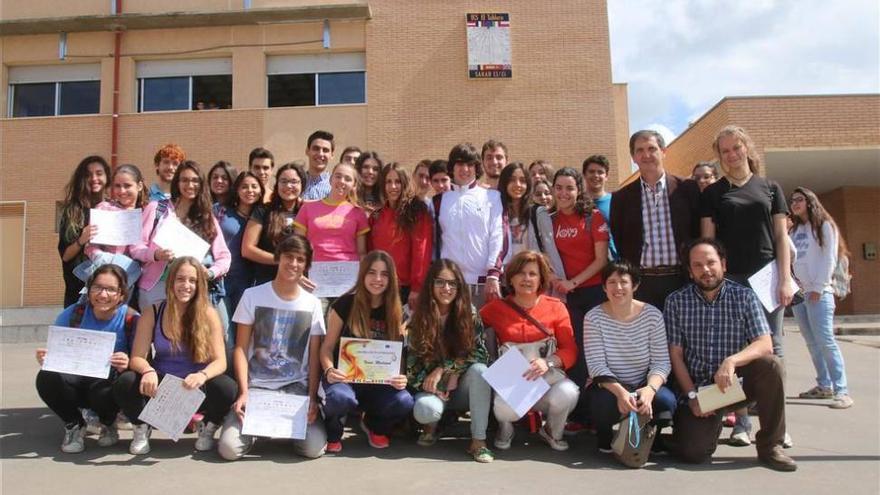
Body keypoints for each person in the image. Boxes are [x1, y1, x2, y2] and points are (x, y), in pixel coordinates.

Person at [665, 238, 796, 472]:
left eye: (711, 262)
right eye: (697, 265)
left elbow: (765, 343)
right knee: (693, 453)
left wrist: (732, 361)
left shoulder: (744, 296)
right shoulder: (676, 301)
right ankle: (695, 432)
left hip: (734, 384)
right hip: (701, 389)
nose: (705, 270)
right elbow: (675, 355)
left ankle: (770, 446)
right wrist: (693, 396)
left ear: (723, 264)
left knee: (771, 365)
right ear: (690, 271)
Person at [701, 125, 793, 447]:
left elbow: (781, 237)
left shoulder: (770, 188)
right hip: (731, 280)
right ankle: (741, 423)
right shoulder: (713, 193)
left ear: (746, 148)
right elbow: (708, 242)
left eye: (735, 148)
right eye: (724, 151)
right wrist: (713, 281)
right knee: (735, 350)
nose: (731, 155)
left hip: (767, 278)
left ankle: (777, 426)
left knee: (774, 349)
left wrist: (785, 278)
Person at [218, 235, 328, 460]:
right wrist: (244, 392)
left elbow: (315, 355)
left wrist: (312, 398)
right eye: (289, 257)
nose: (294, 264)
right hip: (257, 388)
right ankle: (260, 429)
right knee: (229, 449)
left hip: (295, 389)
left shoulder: (313, 304)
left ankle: (284, 430)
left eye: (300, 259)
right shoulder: (252, 295)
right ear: (279, 258)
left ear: (307, 265)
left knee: (313, 448)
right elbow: (240, 348)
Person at [114, 257, 236, 455]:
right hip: (162, 384)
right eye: (180, 279)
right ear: (171, 282)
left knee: (227, 388)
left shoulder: (209, 313)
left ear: (199, 284)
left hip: (194, 385)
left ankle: (208, 427)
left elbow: (220, 361)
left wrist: (202, 375)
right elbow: (137, 357)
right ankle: (142, 428)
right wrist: (148, 370)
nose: (186, 285)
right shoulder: (152, 311)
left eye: (192, 280)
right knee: (125, 382)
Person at [527, 167, 609, 430]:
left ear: (578, 190)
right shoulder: (548, 220)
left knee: (593, 353)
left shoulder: (593, 217)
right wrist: (552, 278)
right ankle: (575, 414)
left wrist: (573, 282)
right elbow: (542, 254)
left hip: (592, 292)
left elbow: (601, 259)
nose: (563, 193)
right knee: (571, 353)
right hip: (563, 297)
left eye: (569, 188)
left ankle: (594, 413)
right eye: (559, 188)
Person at [480, 251, 580, 452]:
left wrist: (549, 361)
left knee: (568, 393)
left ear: (541, 278)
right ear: (511, 278)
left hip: (547, 379)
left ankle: (551, 431)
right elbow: (470, 329)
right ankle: (505, 428)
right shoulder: (494, 309)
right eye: (521, 273)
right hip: (513, 383)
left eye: (533, 274)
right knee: (503, 408)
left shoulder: (556, 307)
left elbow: (570, 350)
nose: (526, 279)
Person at [36, 265, 138, 453]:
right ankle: (74, 424)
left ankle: (108, 423)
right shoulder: (75, 313)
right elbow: (57, 348)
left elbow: (141, 358)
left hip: (106, 388)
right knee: (46, 376)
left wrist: (128, 362)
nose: (103, 294)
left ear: (122, 294)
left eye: (111, 289)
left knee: (121, 382)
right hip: (76, 381)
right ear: (89, 290)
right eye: (97, 287)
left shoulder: (131, 319)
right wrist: (47, 358)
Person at [320, 251, 413, 452]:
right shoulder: (344, 304)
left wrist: (401, 377)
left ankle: (374, 425)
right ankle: (333, 428)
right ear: (362, 275)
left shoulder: (397, 311)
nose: (377, 279)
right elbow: (326, 348)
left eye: (384, 274)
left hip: (377, 382)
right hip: (344, 379)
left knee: (404, 400)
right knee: (340, 398)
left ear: (391, 279)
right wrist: (329, 370)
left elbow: (399, 355)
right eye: (372, 272)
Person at [584, 260, 675, 454]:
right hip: (610, 385)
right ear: (604, 287)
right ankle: (605, 435)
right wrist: (621, 393)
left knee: (665, 401)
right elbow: (596, 365)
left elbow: (661, 362)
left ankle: (652, 436)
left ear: (635, 285)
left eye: (624, 282)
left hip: (643, 382)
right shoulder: (593, 317)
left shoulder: (652, 315)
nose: (618, 288)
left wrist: (650, 390)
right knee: (600, 403)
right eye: (612, 282)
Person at [408, 259, 493, 463]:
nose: (446, 288)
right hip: (432, 391)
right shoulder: (417, 317)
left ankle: (478, 442)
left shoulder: (469, 314)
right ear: (431, 285)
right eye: (440, 282)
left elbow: (480, 354)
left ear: (459, 286)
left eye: (452, 283)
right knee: (426, 410)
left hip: (462, 388)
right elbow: (411, 369)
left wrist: (444, 370)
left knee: (480, 370)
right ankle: (434, 423)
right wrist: (433, 385)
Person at [610, 130, 701, 312]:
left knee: (682, 338)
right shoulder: (622, 197)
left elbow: (697, 230)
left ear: (663, 151)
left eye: (652, 148)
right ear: (633, 157)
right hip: (642, 284)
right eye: (640, 150)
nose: (646, 155)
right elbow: (619, 238)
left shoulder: (688, 188)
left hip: (682, 279)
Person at [130, 161, 231, 316]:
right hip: (157, 287)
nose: (190, 185)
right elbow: (135, 247)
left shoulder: (206, 217)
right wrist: (155, 255)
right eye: (184, 180)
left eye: (195, 180)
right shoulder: (157, 208)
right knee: (153, 334)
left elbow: (224, 256)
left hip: (190, 289)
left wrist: (210, 273)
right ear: (177, 183)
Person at [789, 187, 853, 409]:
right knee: (812, 342)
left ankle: (842, 390)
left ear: (810, 201)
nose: (794, 203)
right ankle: (824, 385)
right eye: (792, 200)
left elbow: (829, 258)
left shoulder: (824, 225)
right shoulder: (795, 231)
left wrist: (819, 286)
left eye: (799, 199)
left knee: (826, 341)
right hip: (799, 294)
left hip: (819, 293)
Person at [434, 143, 504, 308]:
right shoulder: (438, 201)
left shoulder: (492, 197)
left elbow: (498, 236)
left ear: (476, 167)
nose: (464, 169)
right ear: (452, 167)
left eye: (469, 164)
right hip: (449, 285)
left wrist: (493, 275)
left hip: (483, 285)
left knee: (484, 334)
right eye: (459, 163)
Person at [369, 162, 433, 307]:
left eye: (397, 182)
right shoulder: (376, 216)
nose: (393, 187)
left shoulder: (417, 212)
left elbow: (421, 252)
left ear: (404, 183)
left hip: (406, 289)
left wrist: (416, 288)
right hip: (379, 285)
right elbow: (370, 252)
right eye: (388, 182)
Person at [84, 164, 149, 295]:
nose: (122, 191)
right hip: (106, 278)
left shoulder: (147, 213)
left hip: (140, 283)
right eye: (117, 186)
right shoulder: (104, 209)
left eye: (127, 185)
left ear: (139, 186)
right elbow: (90, 246)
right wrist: (100, 256)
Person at [294, 162, 369, 268]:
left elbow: (361, 252)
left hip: (348, 272)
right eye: (338, 176)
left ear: (354, 185)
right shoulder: (307, 208)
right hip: (315, 271)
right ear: (330, 179)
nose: (342, 181)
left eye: (348, 179)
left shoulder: (358, 213)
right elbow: (298, 246)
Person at [214, 172, 265, 329]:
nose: (249, 190)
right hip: (219, 280)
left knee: (241, 332)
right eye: (244, 186)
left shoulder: (265, 217)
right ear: (236, 190)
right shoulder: (221, 211)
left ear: (261, 190)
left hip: (246, 284)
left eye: (254, 186)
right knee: (223, 332)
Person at [242, 162, 306, 285]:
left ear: (302, 185)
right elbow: (247, 249)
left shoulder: (307, 210)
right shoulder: (263, 211)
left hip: (299, 282)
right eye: (283, 181)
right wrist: (280, 260)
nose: (288, 186)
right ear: (277, 184)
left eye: (294, 182)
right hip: (267, 281)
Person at [58, 155, 110, 307]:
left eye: (99, 173)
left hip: (109, 289)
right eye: (88, 175)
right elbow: (66, 256)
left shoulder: (113, 208)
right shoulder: (73, 211)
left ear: (107, 176)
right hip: (78, 290)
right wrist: (82, 239)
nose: (94, 178)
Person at [583, 154, 618, 260]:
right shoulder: (576, 203)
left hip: (613, 264)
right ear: (584, 175)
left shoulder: (616, 202)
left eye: (600, 172)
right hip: (585, 263)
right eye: (591, 171)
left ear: (606, 176)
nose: (596, 175)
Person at [498, 162, 532, 264]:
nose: (518, 185)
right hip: (502, 274)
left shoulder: (535, 213)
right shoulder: (496, 212)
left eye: (522, 181)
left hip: (528, 273)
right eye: (512, 180)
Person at [301, 130, 335, 200]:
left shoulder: (335, 185)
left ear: (332, 155)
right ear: (307, 151)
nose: (320, 154)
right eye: (316, 148)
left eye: (325, 150)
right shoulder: (297, 182)